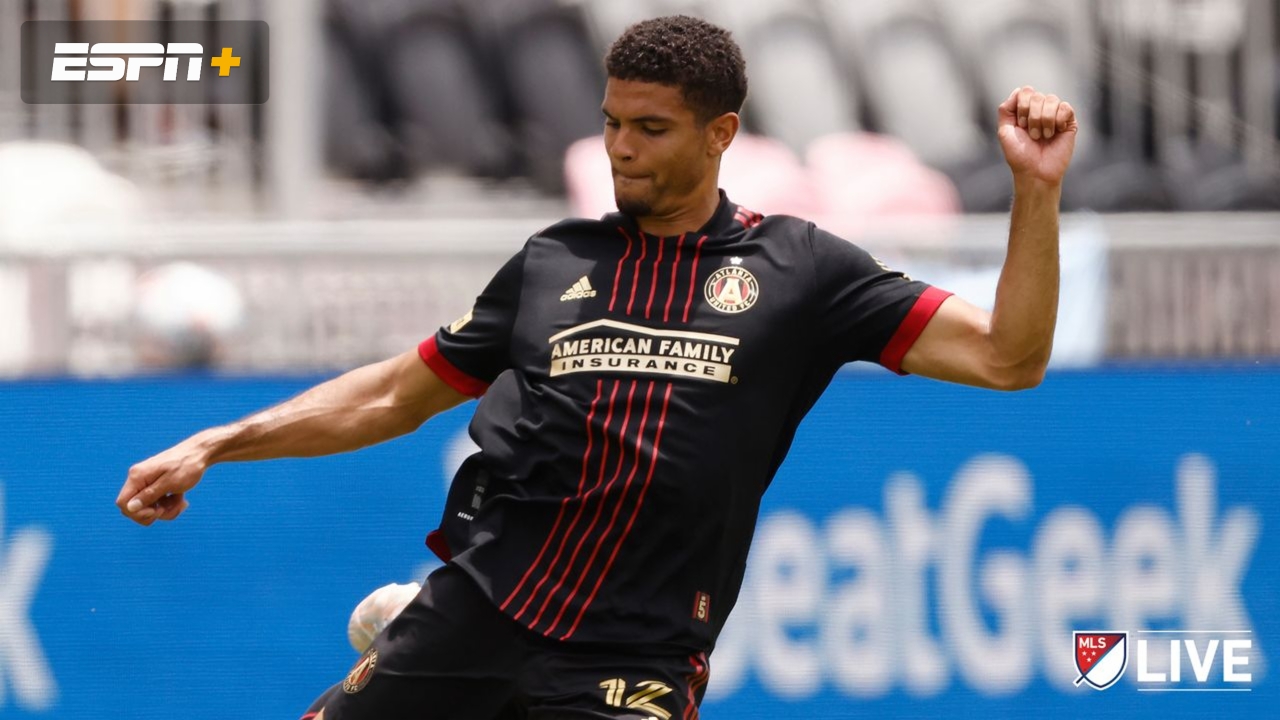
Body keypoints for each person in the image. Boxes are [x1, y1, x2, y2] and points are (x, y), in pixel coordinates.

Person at [116, 15, 1076, 720]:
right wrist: (218, 441)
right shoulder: (552, 261)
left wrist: (1035, 193)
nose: (621, 148)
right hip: (483, 610)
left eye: (650, 129)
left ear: (721, 133)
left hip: (636, 655)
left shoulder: (804, 271)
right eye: (613, 123)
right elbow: (393, 394)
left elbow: (1010, 358)